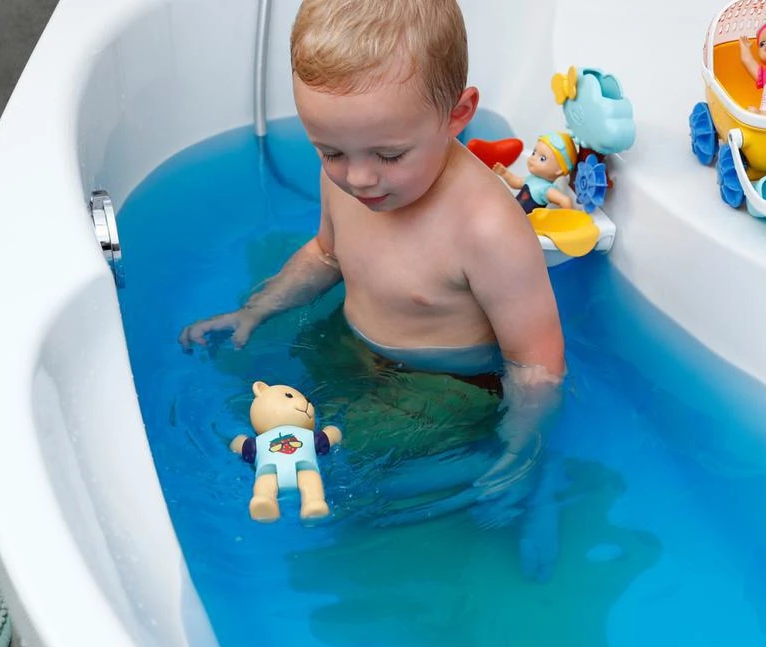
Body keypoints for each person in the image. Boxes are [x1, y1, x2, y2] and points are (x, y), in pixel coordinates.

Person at [179, 0, 565, 500]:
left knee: (345, 470)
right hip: (353, 342)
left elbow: (537, 363)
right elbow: (326, 253)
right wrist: (257, 308)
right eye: (330, 151)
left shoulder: (485, 228)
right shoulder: (347, 177)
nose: (358, 178)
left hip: (449, 385)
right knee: (254, 401)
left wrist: (520, 450)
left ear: (457, 115)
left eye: (389, 154)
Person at [492, 131, 577, 212]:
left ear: (559, 171)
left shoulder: (546, 189)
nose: (533, 158)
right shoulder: (531, 178)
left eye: (542, 158)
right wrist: (505, 173)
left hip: (525, 221)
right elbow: (516, 182)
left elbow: (565, 201)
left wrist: (567, 218)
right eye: (534, 153)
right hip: (514, 213)